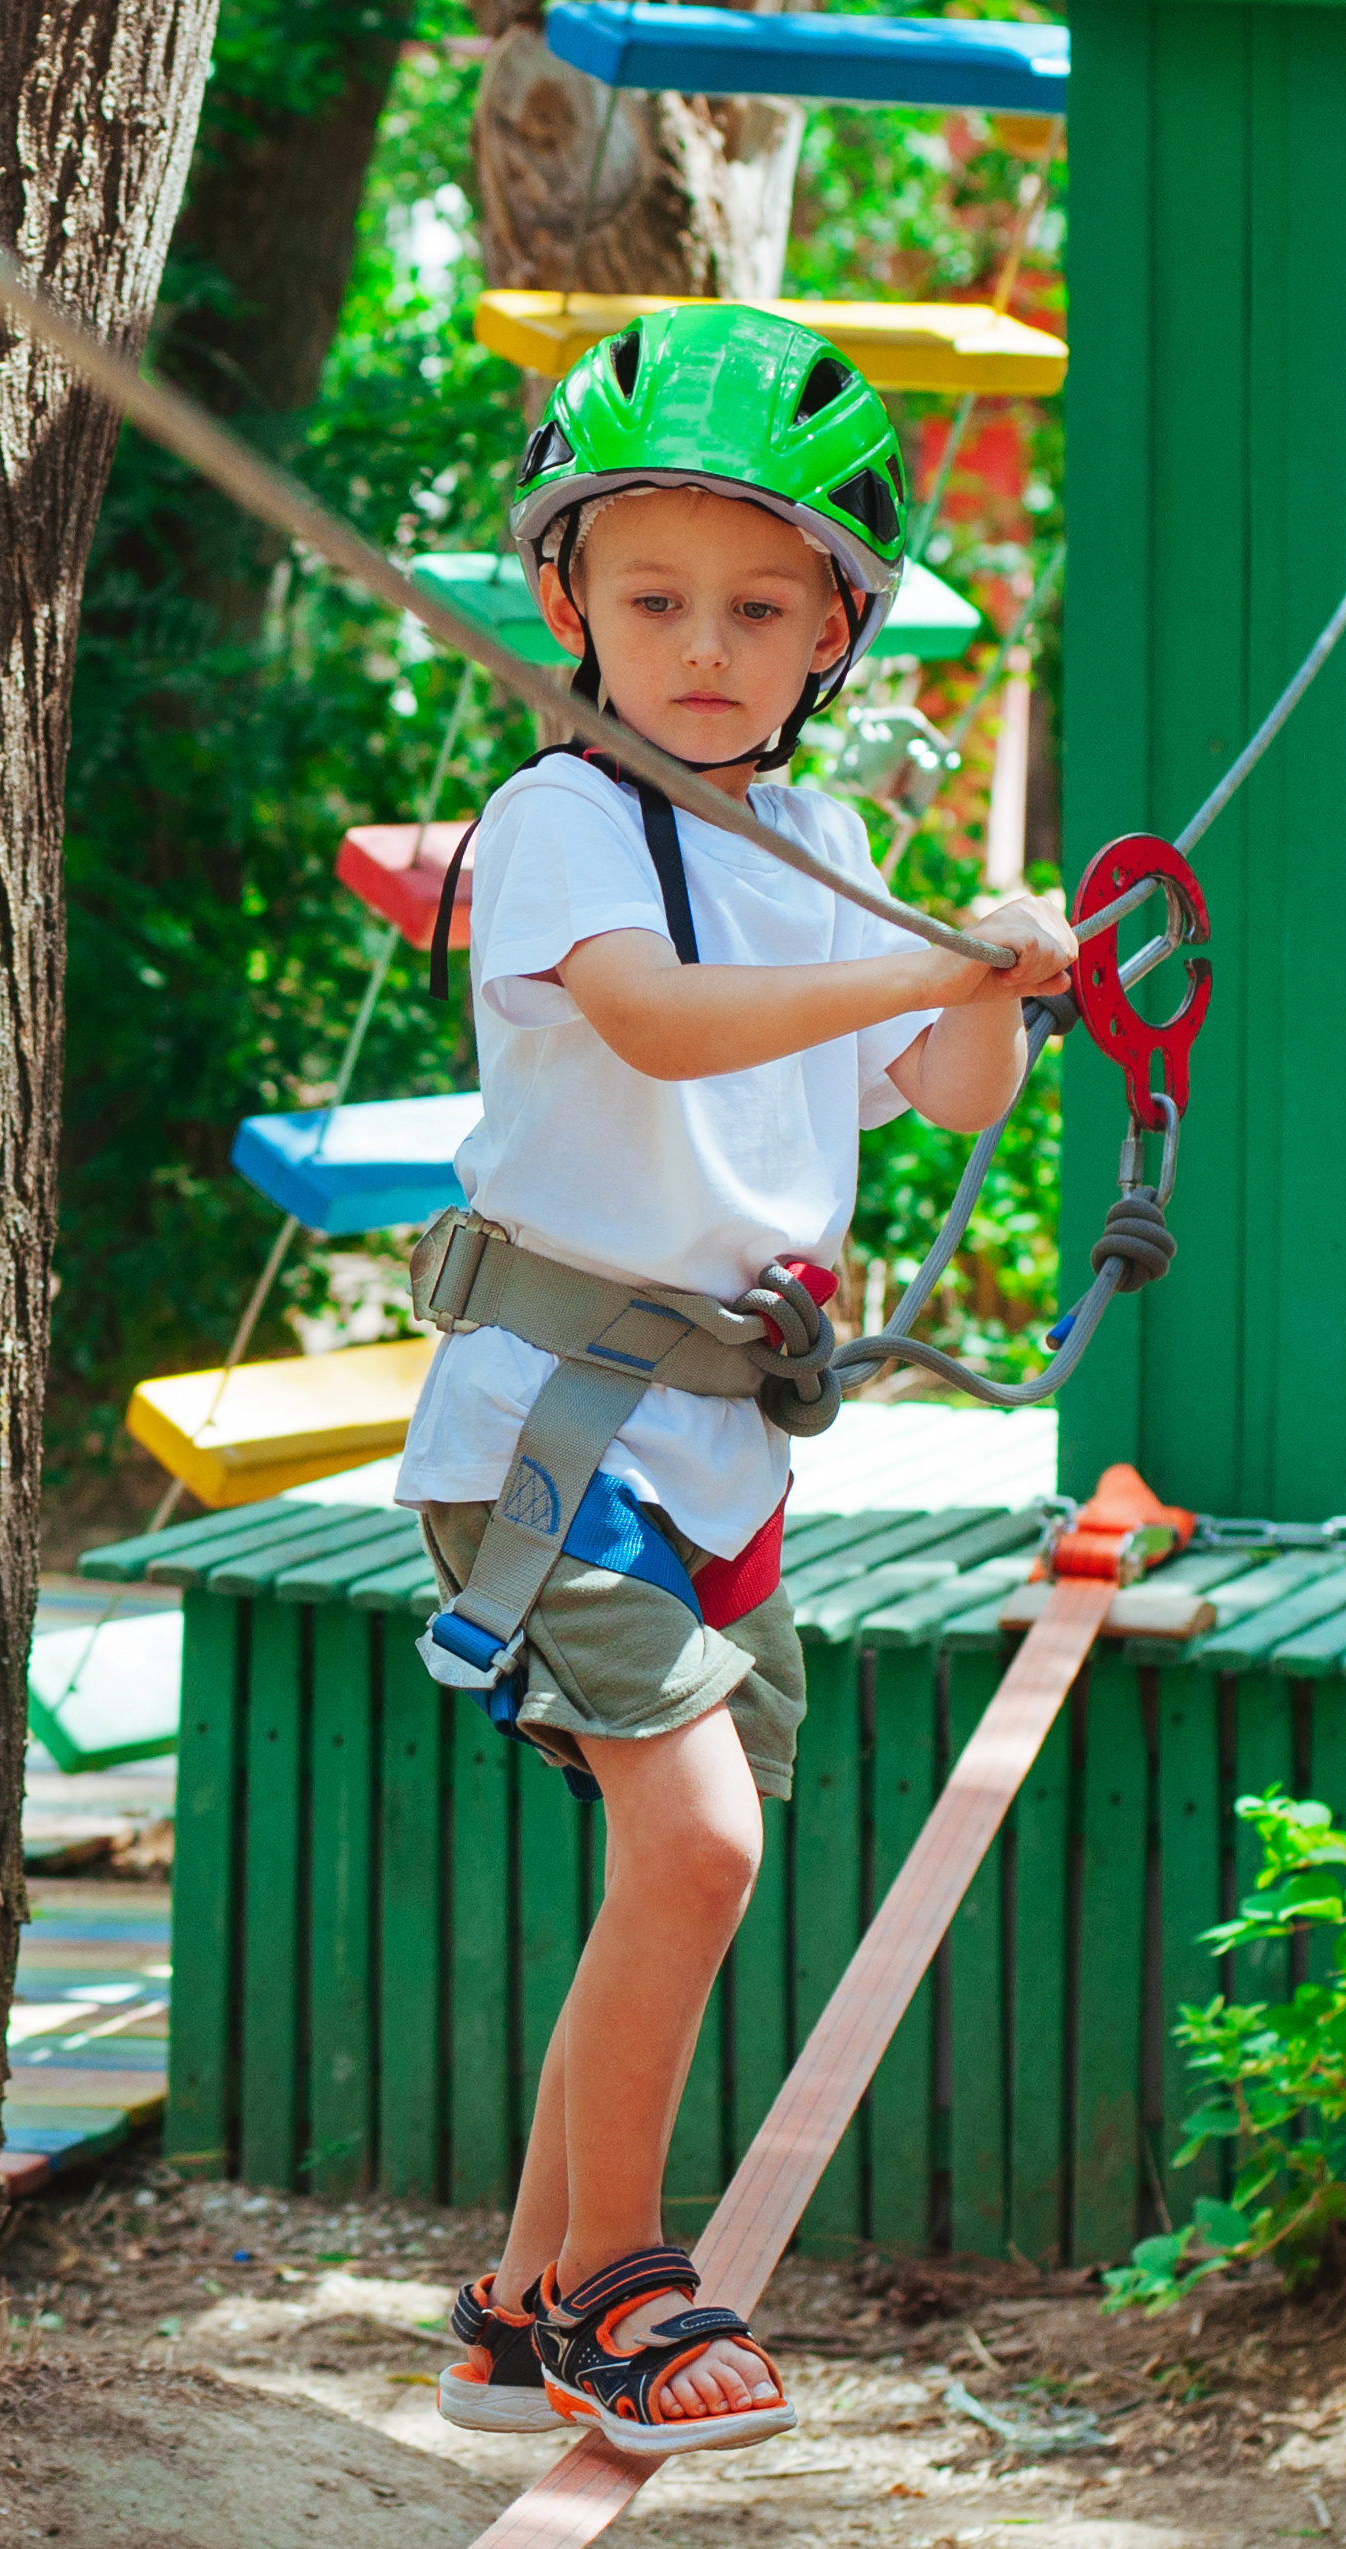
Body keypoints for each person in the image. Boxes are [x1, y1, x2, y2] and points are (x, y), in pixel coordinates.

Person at [408, 303, 1076, 2456]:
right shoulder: (559, 819)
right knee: (692, 1850)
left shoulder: (826, 853)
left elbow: (950, 1077)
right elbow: (658, 1022)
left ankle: (516, 2305)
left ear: (832, 637)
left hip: (715, 1445)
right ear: (566, 606)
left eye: (757, 605)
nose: (701, 642)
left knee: (675, 1864)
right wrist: (913, 954)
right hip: (551, 1426)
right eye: (653, 596)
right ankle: (618, 2280)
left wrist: (1003, 964)